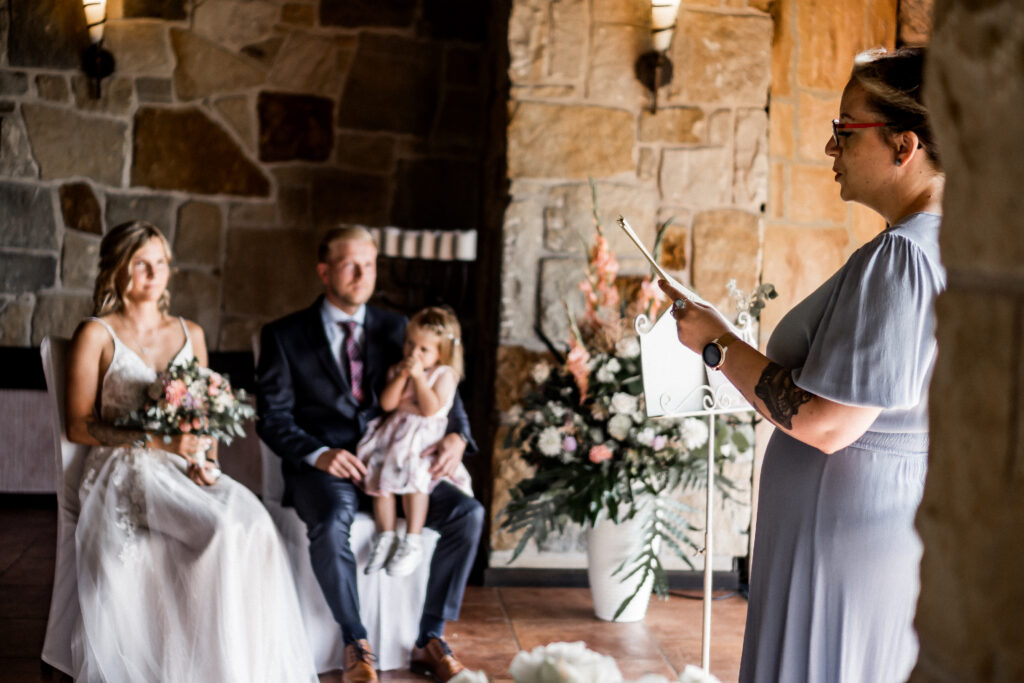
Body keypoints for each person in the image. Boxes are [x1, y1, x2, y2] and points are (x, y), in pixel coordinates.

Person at [659, 47, 945, 682]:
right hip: (858, 524)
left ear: (904, 146)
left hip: (841, 537)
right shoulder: (940, 246)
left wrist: (716, 343)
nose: (829, 147)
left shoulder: (902, 257)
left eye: (846, 129)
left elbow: (827, 422)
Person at [65, 221, 317, 683]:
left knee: (255, 524)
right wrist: (158, 442)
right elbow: (78, 425)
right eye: (141, 263)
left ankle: (245, 666)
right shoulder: (96, 334)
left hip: (186, 463)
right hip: (126, 467)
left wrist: (208, 461)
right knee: (219, 529)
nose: (153, 273)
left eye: (160, 263)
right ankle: (206, 669)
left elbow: (203, 413)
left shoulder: (190, 332)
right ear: (116, 268)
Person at [256, 226, 484, 683]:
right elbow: (272, 417)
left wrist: (459, 435)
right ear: (324, 271)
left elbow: (446, 386)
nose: (363, 275)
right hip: (329, 468)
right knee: (330, 521)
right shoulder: (284, 335)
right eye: (350, 265)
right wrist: (319, 454)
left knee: (468, 514)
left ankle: (429, 638)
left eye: (370, 264)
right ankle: (355, 642)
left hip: (399, 464)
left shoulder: (399, 328)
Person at [357, 306, 474, 579]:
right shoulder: (398, 369)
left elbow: (430, 409)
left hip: (420, 442)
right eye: (410, 344)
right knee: (379, 479)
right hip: (394, 439)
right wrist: (402, 377)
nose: (413, 353)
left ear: (441, 353)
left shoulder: (443, 375)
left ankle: (412, 540)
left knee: (416, 480)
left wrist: (419, 379)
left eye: (424, 349)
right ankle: (385, 536)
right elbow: (388, 403)